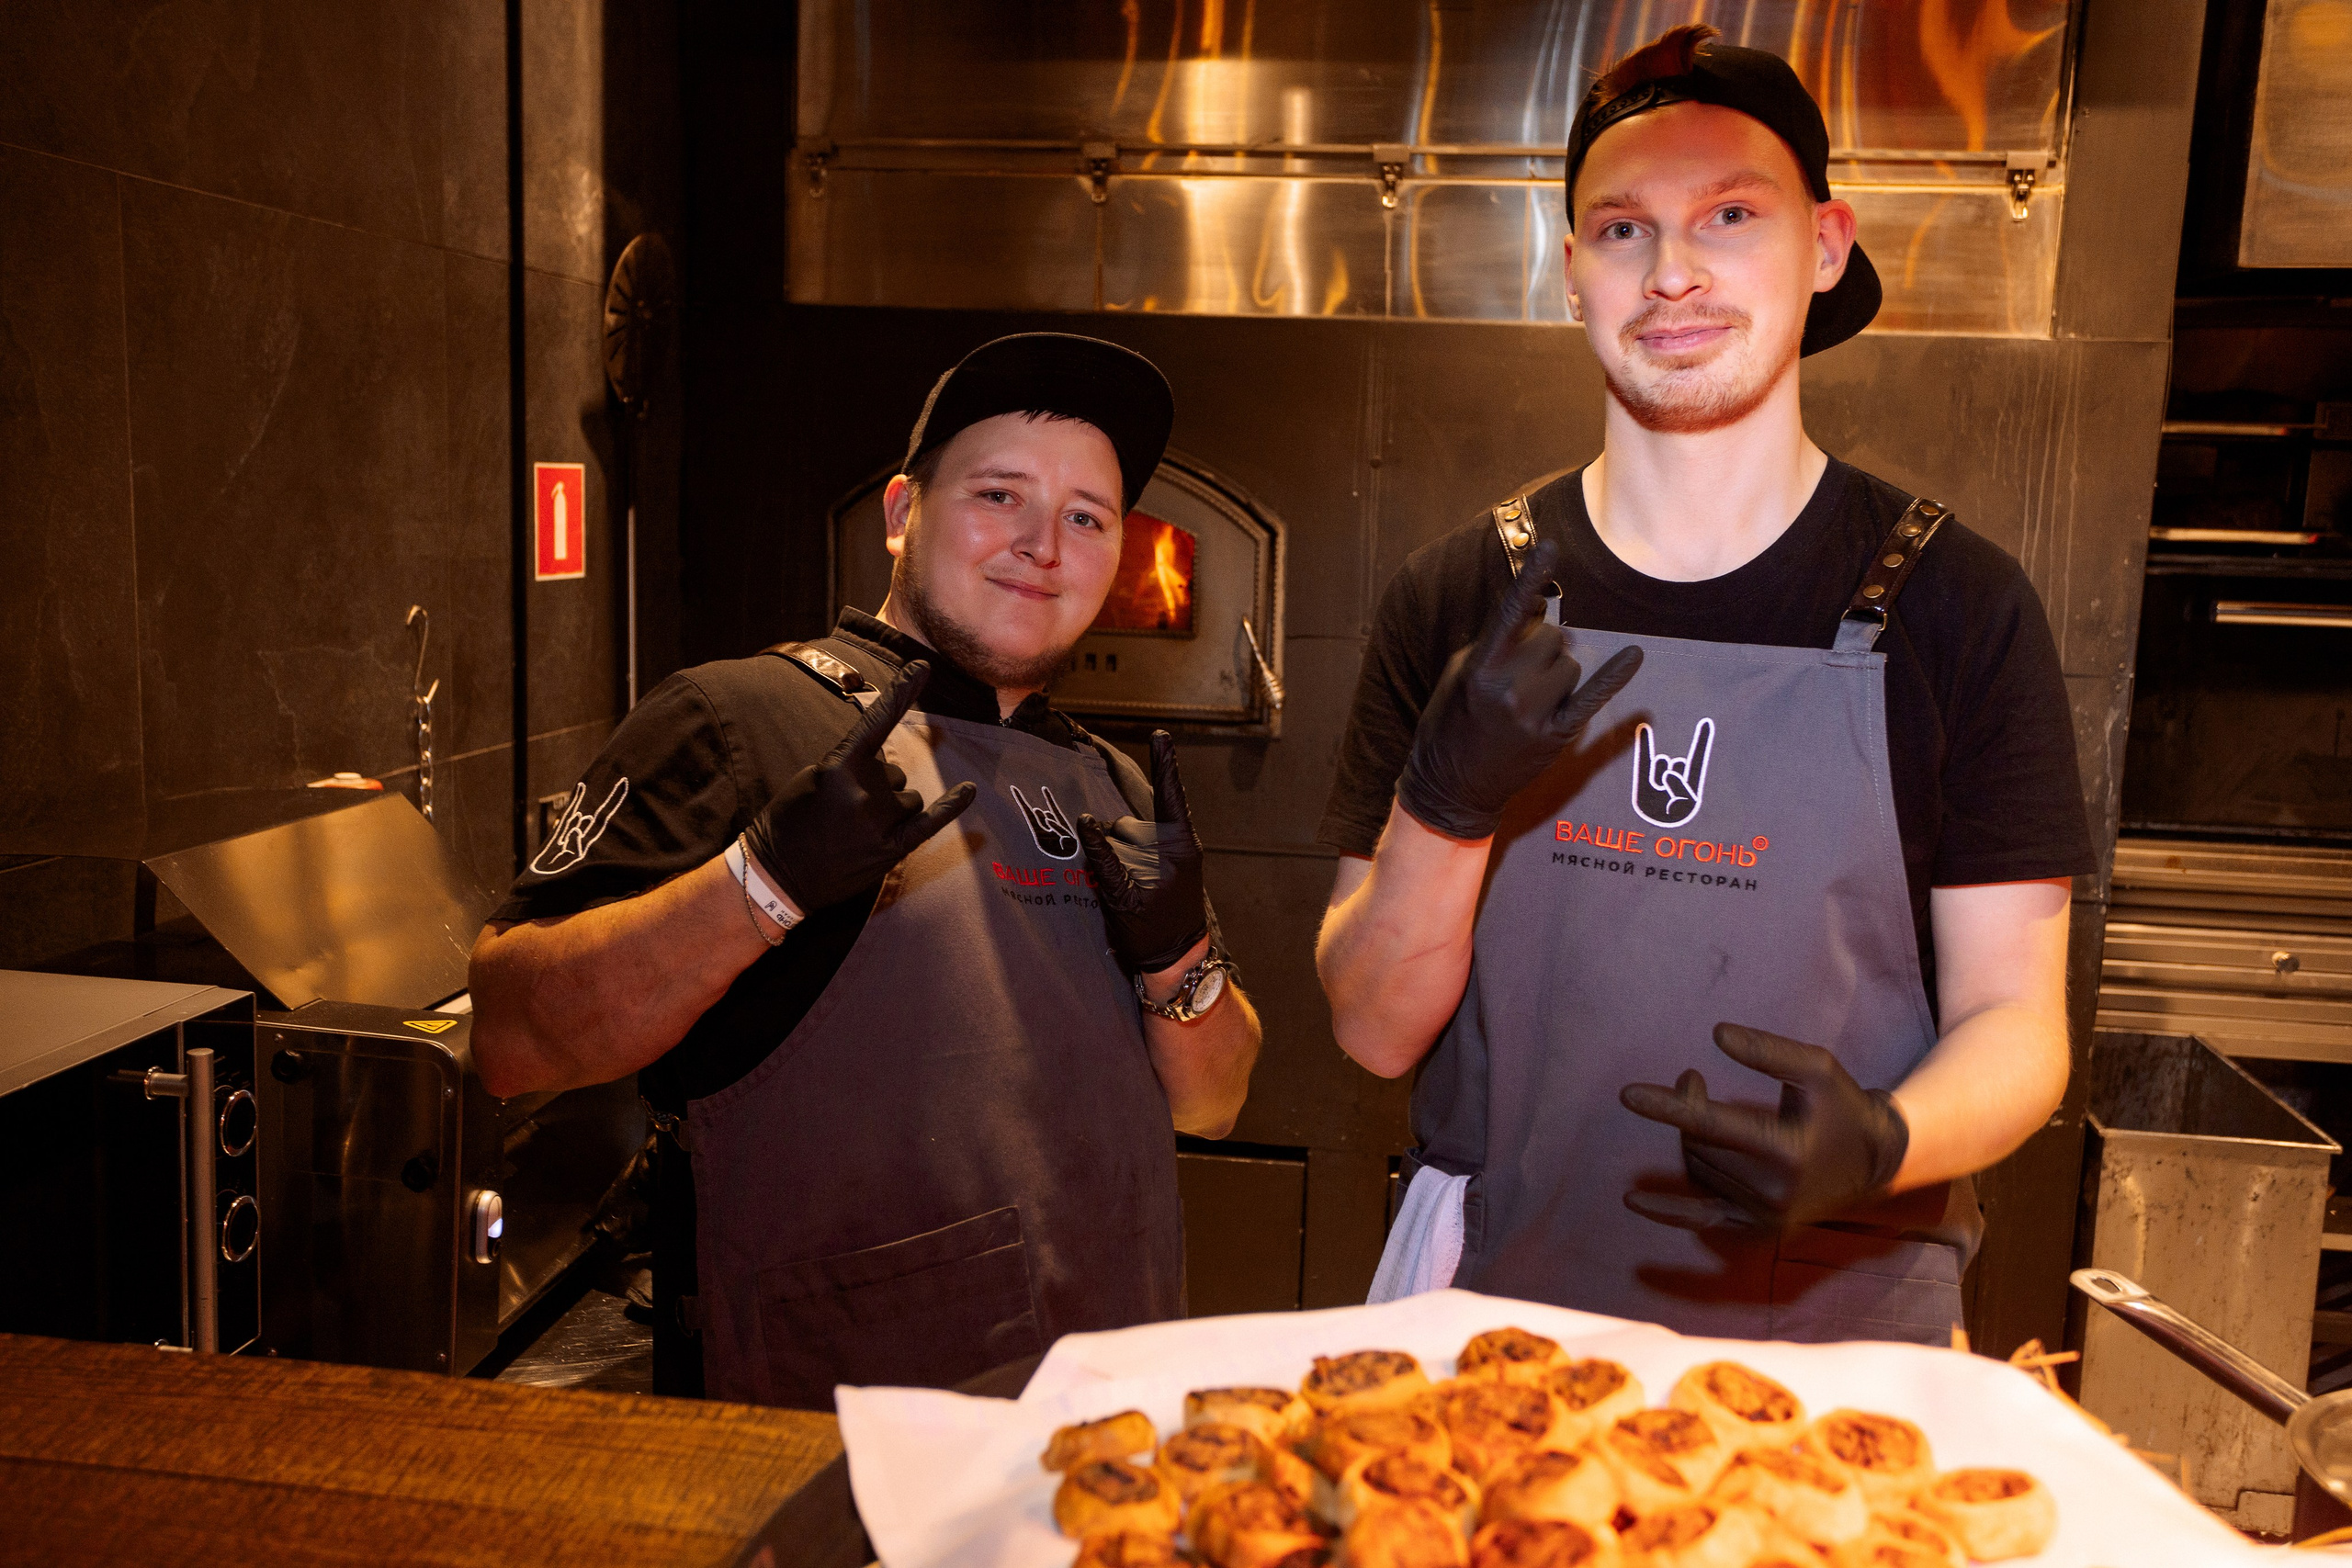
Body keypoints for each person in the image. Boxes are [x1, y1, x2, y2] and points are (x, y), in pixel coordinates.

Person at [1316, 25, 2093, 1344]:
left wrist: (1889, 1138)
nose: (1671, 272)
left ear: (1826, 245)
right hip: (1490, 1310)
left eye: (1731, 215)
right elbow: (1374, 1033)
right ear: (1571, 271)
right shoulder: (1458, 597)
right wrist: (1445, 808)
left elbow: (2016, 1020)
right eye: (1623, 228)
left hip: (1845, 1324)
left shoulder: (1959, 605)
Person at [469, 333, 1261, 1406]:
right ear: (900, 513)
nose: (1042, 545)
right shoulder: (735, 720)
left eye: (1087, 517)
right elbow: (511, 1038)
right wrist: (760, 884)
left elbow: (1214, 1103)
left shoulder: (1110, 781)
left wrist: (1178, 958)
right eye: (999, 495)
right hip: (843, 1422)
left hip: (1104, 1404)